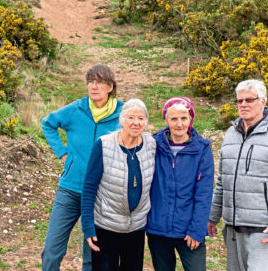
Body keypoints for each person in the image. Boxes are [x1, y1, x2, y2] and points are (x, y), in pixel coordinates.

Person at [208, 79, 268, 271]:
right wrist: (212, 217)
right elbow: (221, 182)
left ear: (263, 102)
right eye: (239, 101)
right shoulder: (231, 134)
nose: (243, 105)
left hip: (262, 229)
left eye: (249, 100)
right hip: (232, 227)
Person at [41, 64, 123, 271]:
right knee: (51, 251)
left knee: (93, 253)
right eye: (91, 82)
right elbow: (48, 123)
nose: (94, 86)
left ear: (110, 86)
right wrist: (63, 153)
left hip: (101, 193)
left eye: (99, 82)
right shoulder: (75, 109)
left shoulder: (123, 113)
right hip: (70, 189)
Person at [81, 98, 157, 271]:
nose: (136, 123)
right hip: (106, 226)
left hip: (136, 228)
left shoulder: (151, 144)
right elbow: (89, 187)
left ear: (146, 121)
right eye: (131, 117)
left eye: (141, 118)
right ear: (121, 119)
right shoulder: (104, 144)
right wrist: (88, 226)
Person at [146, 97, 214, 271]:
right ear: (166, 120)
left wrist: (197, 229)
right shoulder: (153, 145)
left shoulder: (203, 149)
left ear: (190, 119)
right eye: (173, 119)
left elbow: (204, 193)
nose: (179, 124)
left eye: (184, 118)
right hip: (158, 229)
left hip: (189, 230)